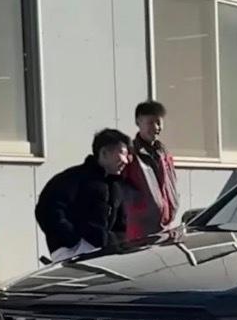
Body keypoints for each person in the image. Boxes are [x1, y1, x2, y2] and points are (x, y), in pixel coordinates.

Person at [35, 129, 132, 262]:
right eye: (122, 153)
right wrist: (73, 241)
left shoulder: (116, 186)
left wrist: (113, 243)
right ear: (104, 153)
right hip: (72, 253)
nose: (126, 161)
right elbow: (47, 210)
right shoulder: (73, 178)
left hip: (106, 255)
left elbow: (121, 225)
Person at [121, 101, 181, 240]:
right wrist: (140, 205)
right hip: (139, 230)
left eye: (158, 123)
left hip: (165, 227)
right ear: (138, 122)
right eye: (150, 123)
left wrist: (174, 202)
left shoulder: (164, 153)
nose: (155, 127)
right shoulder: (130, 153)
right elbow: (120, 186)